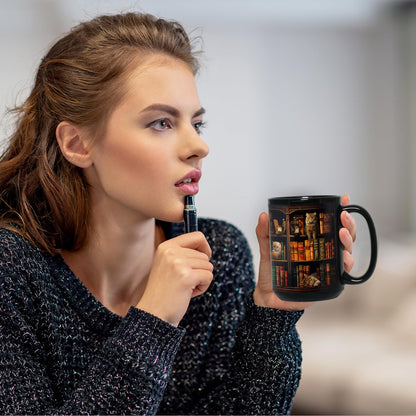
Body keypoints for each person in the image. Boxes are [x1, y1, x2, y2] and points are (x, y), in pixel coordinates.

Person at [0, 12, 356, 415]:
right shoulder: (12, 271)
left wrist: (273, 315)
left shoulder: (218, 253)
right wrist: (153, 320)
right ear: (78, 143)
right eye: (161, 122)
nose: (197, 147)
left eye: (197, 124)